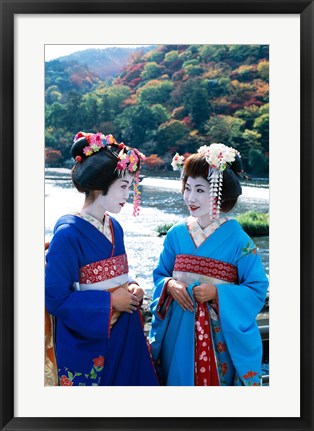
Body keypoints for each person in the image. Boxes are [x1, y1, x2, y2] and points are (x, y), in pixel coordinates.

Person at [149, 143, 268, 386]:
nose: (190, 198)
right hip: (177, 326)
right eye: (188, 188)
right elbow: (160, 274)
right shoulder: (175, 234)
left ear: (218, 192)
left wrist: (217, 292)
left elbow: (256, 288)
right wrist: (170, 284)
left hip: (219, 335)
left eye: (201, 190)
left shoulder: (239, 240)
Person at [45, 131, 159, 386]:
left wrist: (132, 285)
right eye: (123, 186)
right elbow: (55, 299)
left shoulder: (115, 227)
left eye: (129, 186)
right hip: (88, 341)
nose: (127, 194)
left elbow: (118, 274)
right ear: (98, 184)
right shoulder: (67, 234)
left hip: (124, 333)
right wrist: (109, 301)